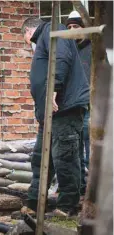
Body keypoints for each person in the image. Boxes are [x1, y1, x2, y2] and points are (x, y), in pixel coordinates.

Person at [21, 18, 89, 216]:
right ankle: (34, 204)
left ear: (28, 31)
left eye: (25, 38)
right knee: (41, 159)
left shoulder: (53, 30)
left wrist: (54, 88)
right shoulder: (45, 37)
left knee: (65, 158)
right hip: (50, 114)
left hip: (64, 108)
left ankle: (67, 206)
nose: (28, 42)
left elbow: (61, 57)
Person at [66, 10, 92, 198]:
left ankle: (94, 187)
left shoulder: (94, 49)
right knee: (77, 147)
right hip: (75, 106)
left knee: (91, 146)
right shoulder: (68, 51)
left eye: (76, 26)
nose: (72, 30)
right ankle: (82, 185)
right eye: (69, 27)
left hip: (93, 105)